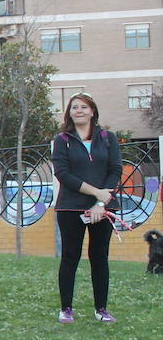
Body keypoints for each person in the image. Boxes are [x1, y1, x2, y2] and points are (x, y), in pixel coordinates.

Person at [51, 93, 122, 323]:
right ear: (69, 112)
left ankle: (101, 309)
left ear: (92, 111)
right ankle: (66, 309)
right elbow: (62, 174)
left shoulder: (108, 138)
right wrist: (96, 193)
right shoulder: (63, 140)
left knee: (99, 257)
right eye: (74, 107)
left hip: (103, 209)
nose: (79, 111)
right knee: (70, 257)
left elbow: (115, 170)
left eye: (83, 107)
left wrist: (101, 203)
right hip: (70, 208)